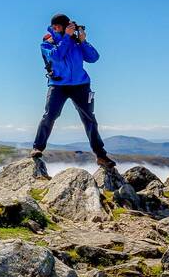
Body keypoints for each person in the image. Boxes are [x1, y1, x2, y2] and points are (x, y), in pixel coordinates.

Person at [31, 13, 116, 169]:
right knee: (50, 115)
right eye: (54, 26)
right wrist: (66, 38)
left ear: (65, 25)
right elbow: (56, 57)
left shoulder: (76, 42)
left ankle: (101, 156)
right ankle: (37, 147)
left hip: (81, 85)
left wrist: (83, 41)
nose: (55, 28)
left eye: (58, 26)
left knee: (89, 119)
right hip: (58, 85)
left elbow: (93, 58)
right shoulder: (47, 43)